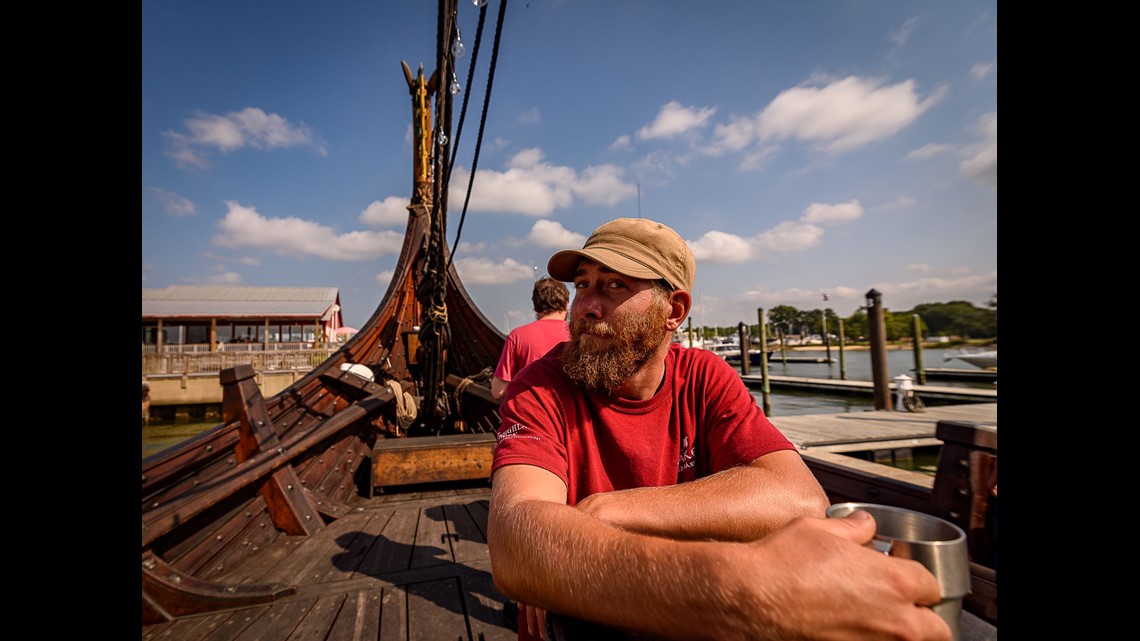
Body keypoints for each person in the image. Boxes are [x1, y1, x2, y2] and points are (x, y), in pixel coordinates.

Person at [487, 217, 951, 641]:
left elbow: (800, 498)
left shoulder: (705, 377)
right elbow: (515, 537)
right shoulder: (540, 387)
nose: (585, 306)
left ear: (674, 311)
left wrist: (608, 510)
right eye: (582, 285)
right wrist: (745, 591)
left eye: (613, 285)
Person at [491, 276, 571, 401]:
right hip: (572, 415)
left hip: (531, 414)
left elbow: (498, 391)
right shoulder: (578, 335)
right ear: (566, 305)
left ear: (535, 305)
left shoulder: (518, 336)